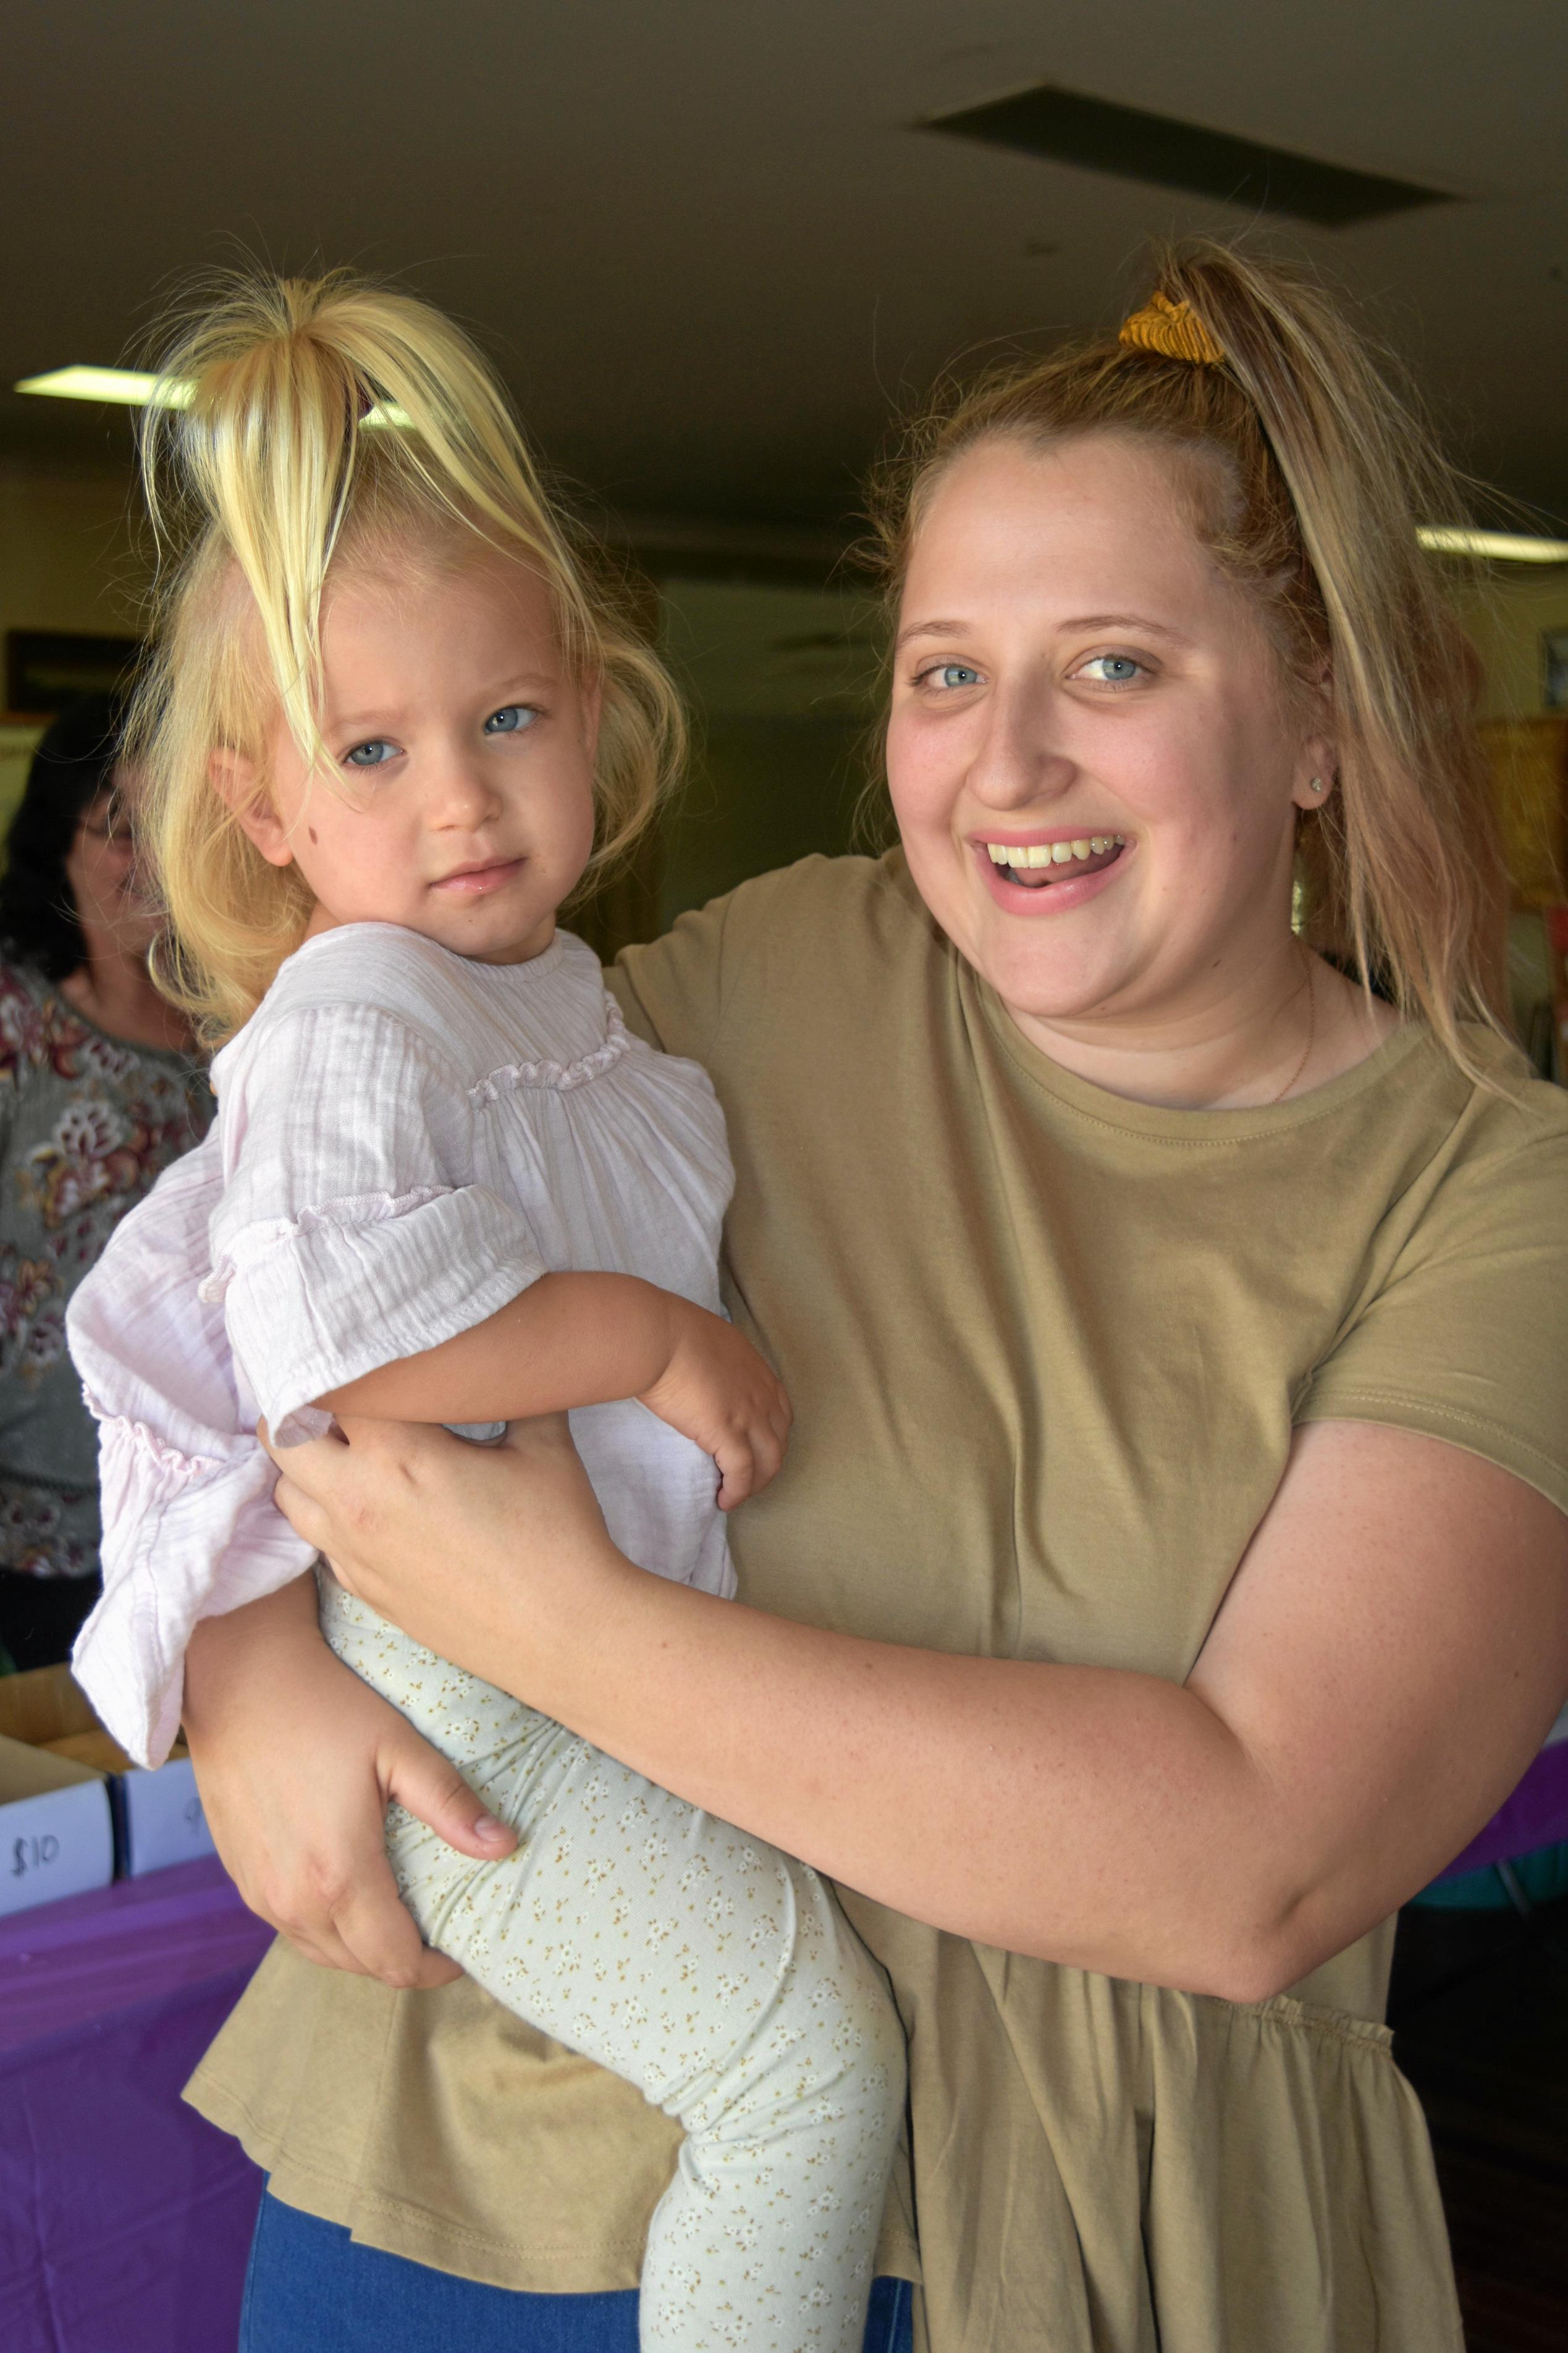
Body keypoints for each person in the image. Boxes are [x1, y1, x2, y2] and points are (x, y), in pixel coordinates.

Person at [133, 245, 1568, 2351]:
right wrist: (251, 1650)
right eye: (941, 673)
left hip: (1105, 2237)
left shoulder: (1487, 1193)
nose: (1002, 766)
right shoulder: (772, 976)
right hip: (499, 2185)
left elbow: (1251, 1854)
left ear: (1318, 727)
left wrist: (561, 1623)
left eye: (1108, 668)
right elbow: (266, 1240)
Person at [67, 274, 904, 2353]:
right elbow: (340, 1339)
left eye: (504, 718)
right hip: (479, 1694)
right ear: (268, 805)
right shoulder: (356, 1007)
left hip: (586, 1670)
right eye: (375, 748)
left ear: (591, 709)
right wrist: (640, 1333)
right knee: (801, 2078)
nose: (458, 796)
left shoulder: (542, 1002)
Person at [0, 699, 209, 1671]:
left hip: (209, 1511)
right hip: (33, 1522)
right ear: (61, 845)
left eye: (173, 825)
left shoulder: (249, 1029)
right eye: (123, 828)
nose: (154, 859)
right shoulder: (17, 1025)